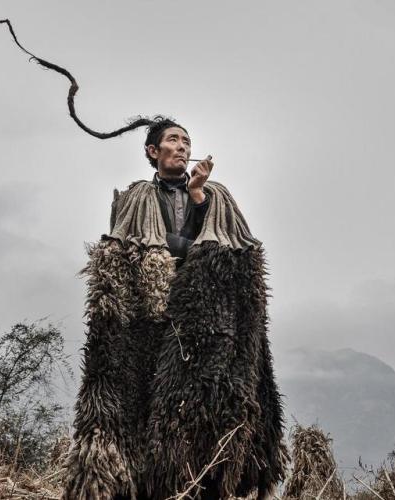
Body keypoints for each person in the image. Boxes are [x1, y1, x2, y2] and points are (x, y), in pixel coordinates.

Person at [62, 117, 287, 500]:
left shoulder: (215, 197)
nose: (182, 146)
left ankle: (202, 481)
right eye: (173, 139)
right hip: (150, 317)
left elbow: (224, 253)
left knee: (204, 407)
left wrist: (198, 195)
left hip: (203, 322)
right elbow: (124, 254)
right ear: (153, 151)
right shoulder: (135, 198)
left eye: (187, 140)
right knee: (140, 403)